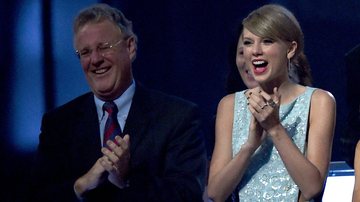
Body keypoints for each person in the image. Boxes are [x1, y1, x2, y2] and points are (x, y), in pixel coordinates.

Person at [28, 3, 206, 202]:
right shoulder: (58, 123)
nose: (95, 59)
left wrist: (127, 177)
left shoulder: (177, 117)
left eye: (104, 47)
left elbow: (187, 196)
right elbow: (37, 196)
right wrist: (80, 186)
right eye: (85, 52)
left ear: (130, 47)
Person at [207, 4, 336, 202]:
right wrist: (250, 146)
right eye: (248, 43)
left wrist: (275, 129)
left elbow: (312, 188)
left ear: (291, 49)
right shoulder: (230, 105)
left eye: (267, 41)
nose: (255, 51)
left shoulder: (319, 101)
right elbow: (216, 193)